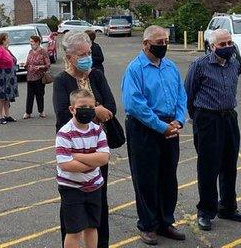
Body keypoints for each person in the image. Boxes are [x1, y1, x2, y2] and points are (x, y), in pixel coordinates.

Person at [121, 25, 187, 245]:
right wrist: (160, 126)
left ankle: (166, 222)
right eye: (159, 42)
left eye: (166, 41)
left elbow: (181, 95)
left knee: (169, 176)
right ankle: (148, 225)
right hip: (144, 128)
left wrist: (178, 119)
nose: (164, 46)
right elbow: (135, 104)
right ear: (146, 44)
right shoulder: (135, 69)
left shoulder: (170, 67)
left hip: (170, 126)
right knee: (146, 178)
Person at [53, 31, 116, 248]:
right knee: (71, 209)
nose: (87, 57)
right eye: (82, 54)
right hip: (73, 150)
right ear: (70, 57)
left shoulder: (96, 75)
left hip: (97, 145)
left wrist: (96, 109)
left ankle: (101, 244)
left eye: (88, 52)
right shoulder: (62, 80)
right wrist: (97, 110)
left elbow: (111, 109)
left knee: (98, 203)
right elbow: (62, 115)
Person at [185, 29, 241, 231]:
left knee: (229, 164)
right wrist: (196, 118)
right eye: (222, 45)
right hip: (207, 119)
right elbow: (188, 93)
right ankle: (206, 211)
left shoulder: (234, 63)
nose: (227, 47)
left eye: (229, 42)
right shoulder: (200, 65)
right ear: (212, 47)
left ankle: (228, 207)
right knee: (208, 167)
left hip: (229, 117)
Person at [56, 89, 110, 248]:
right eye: (82, 106)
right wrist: (93, 160)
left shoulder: (97, 130)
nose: (87, 110)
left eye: (91, 107)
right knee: (74, 230)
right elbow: (66, 164)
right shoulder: (65, 134)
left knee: (92, 226)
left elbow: (104, 158)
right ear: (72, 109)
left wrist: (76, 155)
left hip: (94, 187)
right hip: (72, 189)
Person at [0, 32, 19, 124]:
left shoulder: (6, 49)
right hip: (2, 76)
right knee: (1, 96)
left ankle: (7, 115)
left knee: (7, 96)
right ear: (3, 40)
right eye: (7, 37)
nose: (9, 39)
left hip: (9, 76)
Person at [23, 35, 51, 119]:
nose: (30, 43)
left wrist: (40, 67)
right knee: (29, 95)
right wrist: (24, 65)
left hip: (40, 76)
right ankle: (28, 113)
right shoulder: (30, 51)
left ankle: (41, 111)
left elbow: (48, 64)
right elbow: (28, 63)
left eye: (32, 41)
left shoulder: (43, 52)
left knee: (39, 94)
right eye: (30, 42)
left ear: (37, 42)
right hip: (30, 76)